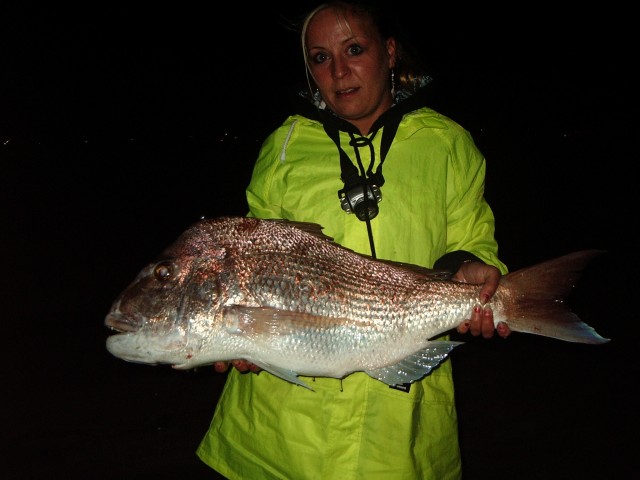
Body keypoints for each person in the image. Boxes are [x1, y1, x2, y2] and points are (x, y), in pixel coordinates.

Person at [197, 1, 511, 478]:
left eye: (355, 49)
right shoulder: (284, 147)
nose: (339, 71)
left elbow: (471, 237)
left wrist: (474, 271)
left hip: (400, 424)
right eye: (321, 58)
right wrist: (235, 336)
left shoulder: (447, 143)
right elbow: (249, 257)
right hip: (282, 435)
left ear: (389, 53)